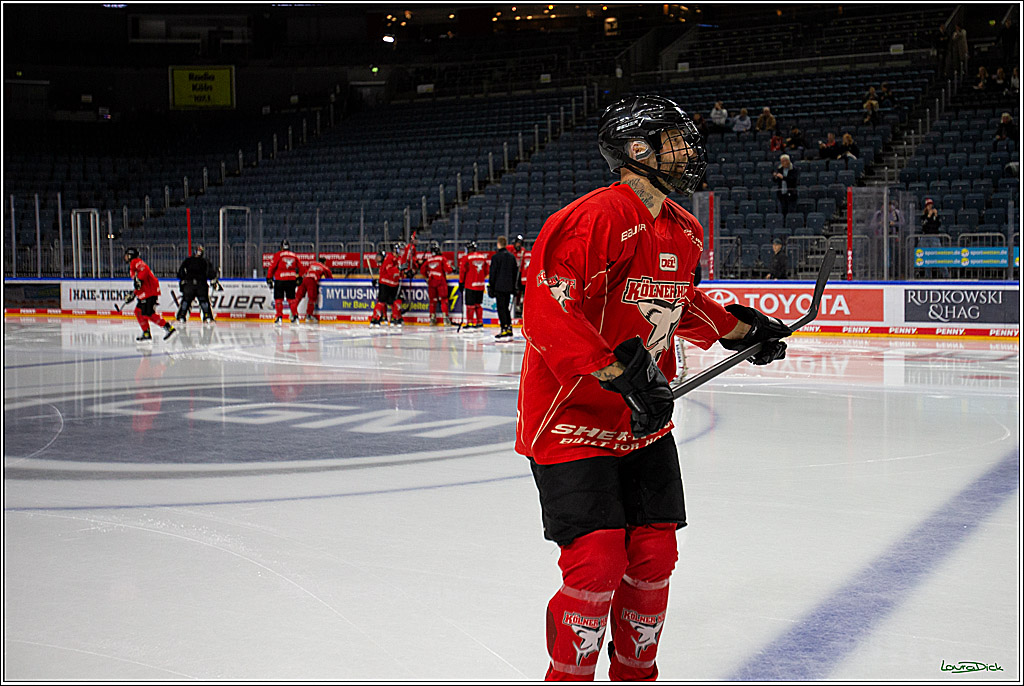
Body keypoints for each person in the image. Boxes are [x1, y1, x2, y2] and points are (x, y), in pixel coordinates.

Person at [517, 94, 789, 681]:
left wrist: (743, 329)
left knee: (654, 558)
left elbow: (677, 304)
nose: (687, 149)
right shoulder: (595, 218)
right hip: (572, 424)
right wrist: (618, 374)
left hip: (644, 425)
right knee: (596, 562)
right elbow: (547, 314)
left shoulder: (684, 230)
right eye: (673, 139)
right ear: (637, 151)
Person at [122, 247, 176, 342]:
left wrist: (138, 279)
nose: (125, 257)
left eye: (127, 255)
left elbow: (144, 271)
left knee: (149, 313)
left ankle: (168, 328)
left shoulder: (135, 261)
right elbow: (140, 284)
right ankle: (146, 332)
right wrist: (133, 294)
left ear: (130, 255)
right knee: (138, 311)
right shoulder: (133, 264)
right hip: (146, 292)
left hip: (149, 292)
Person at [175, 244, 219, 324]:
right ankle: (207, 316)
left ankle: (182, 315)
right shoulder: (205, 261)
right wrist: (213, 279)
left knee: (186, 300)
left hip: (189, 284)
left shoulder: (188, 261)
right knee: (203, 301)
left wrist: (184, 279)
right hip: (201, 284)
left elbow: (180, 273)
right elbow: (210, 273)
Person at [488, 235, 519, 340]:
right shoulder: (511, 257)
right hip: (509, 287)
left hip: (499, 287)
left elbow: (493, 273)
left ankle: (504, 328)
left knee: (501, 309)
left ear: (498, 244)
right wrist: (515, 287)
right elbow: (515, 273)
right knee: (506, 308)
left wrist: (491, 287)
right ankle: (509, 327)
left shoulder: (496, 257)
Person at [266, 238, 302, 325]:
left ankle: (279, 318)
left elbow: (272, 267)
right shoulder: (294, 255)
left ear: (281, 247)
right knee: (291, 299)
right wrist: (300, 278)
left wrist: (269, 278)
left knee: (278, 299)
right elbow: (301, 268)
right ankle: (295, 317)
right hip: (291, 280)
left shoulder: (278, 255)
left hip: (280, 280)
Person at [420, 241, 454, 325]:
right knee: (443, 299)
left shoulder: (428, 260)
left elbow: (422, 270)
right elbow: (448, 270)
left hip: (431, 282)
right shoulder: (442, 258)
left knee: (432, 301)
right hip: (440, 282)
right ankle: (445, 318)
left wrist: (427, 276)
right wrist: (452, 269)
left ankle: (432, 318)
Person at [369, 242, 403, 327]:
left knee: (395, 301)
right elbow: (390, 270)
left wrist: (404, 272)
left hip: (394, 284)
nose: (400, 251)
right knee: (381, 301)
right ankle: (375, 319)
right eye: (399, 249)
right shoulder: (389, 258)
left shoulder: (399, 258)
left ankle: (395, 318)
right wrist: (398, 270)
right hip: (386, 283)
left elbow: (398, 272)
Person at [458, 240, 489, 329]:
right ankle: (479, 322)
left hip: (470, 285)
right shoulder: (482, 257)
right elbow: (487, 271)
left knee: (470, 305)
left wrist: (461, 282)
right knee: (478, 304)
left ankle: (470, 323)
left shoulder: (466, 258)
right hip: (480, 285)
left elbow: (462, 271)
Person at [295, 253, 332, 324]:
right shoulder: (324, 267)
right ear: (324, 262)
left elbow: (304, 272)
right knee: (312, 298)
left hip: (304, 279)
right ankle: (308, 315)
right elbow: (329, 278)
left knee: (298, 296)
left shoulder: (312, 264)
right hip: (312, 280)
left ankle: (293, 313)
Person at [772, 153, 799, 218]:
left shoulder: (794, 169)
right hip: (782, 194)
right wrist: (775, 177)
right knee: (782, 211)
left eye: (784, 161)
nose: (782, 163)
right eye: (781, 162)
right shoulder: (780, 169)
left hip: (791, 194)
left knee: (791, 212)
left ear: (787, 161)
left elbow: (793, 180)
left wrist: (783, 177)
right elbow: (776, 181)